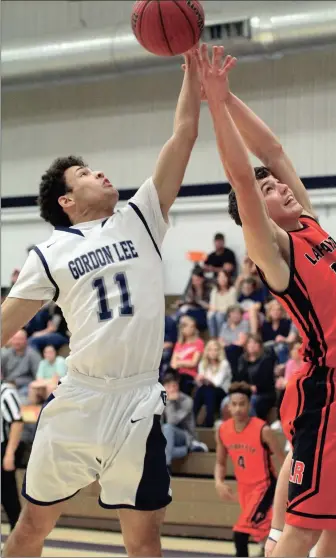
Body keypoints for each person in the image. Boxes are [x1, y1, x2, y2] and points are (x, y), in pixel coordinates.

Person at [1, 49, 201, 558]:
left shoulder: (141, 217)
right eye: (86, 173)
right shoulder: (49, 252)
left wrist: (193, 77)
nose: (101, 174)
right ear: (67, 201)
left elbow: (182, 137)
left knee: (145, 539)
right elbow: (4, 326)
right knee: (29, 529)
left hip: (138, 400)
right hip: (81, 401)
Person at [196, 43, 336, 558]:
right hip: (328, 393)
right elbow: (245, 173)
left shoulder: (310, 223)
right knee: (305, 528)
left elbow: (270, 153)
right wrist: (213, 105)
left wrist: (228, 98)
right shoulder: (276, 253)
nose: (282, 186)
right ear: (257, 212)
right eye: (269, 190)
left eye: (279, 185)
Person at [215, 383, 285, 557]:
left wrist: (289, 486)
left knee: (240, 533)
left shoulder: (263, 429)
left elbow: (283, 459)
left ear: (250, 405)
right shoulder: (223, 430)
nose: (238, 408)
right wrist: (218, 482)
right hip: (245, 490)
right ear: (228, 406)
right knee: (265, 533)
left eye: (242, 404)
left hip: (265, 488)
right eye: (234, 404)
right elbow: (220, 462)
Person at [161, 371, 206, 472]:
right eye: (168, 386)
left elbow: (172, 421)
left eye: (174, 386)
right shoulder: (160, 400)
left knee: (168, 428)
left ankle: (166, 466)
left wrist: (170, 402)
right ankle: (188, 449)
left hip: (185, 436)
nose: (172, 389)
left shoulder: (187, 401)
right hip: (168, 440)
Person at [235, 335, 277, 423]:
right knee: (227, 401)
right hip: (246, 392)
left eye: (255, 342)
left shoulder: (266, 359)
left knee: (252, 401)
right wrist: (246, 387)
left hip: (264, 393)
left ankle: (254, 427)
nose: (252, 345)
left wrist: (253, 387)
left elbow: (266, 381)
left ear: (260, 345)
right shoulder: (242, 359)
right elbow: (239, 378)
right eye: (249, 343)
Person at [1, 381, 24, 531]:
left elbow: (17, 422)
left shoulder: (6, 393)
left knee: (8, 497)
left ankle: (18, 539)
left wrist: (9, 454)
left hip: (3, 447)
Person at [194, 339, 231, 427]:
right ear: (207, 351)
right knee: (201, 390)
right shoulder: (202, 364)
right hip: (207, 391)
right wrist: (198, 380)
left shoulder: (224, 364)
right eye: (210, 350)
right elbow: (201, 384)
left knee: (209, 391)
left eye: (216, 350)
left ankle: (209, 422)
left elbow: (217, 383)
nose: (213, 352)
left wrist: (204, 379)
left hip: (222, 392)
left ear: (219, 351)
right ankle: (194, 420)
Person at [1, 330, 41, 403]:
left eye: (20, 339)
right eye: (15, 339)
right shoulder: (6, 354)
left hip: (25, 387)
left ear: (26, 340)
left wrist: (16, 382)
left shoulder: (33, 355)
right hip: (7, 385)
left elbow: (38, 377)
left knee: (18, 399)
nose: (17, 342)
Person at [170, 315, 204, 395]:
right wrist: (184, 362)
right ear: (182, 329)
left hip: (190, 374)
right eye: (189, 326)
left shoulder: (199, 342)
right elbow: (173, 364)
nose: (192, 329)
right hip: (177, 373)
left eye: (193, 326)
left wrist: (179, 362)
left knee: (183, 380)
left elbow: (193, 363)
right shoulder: (179, 344)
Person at [207, 269, 237, 338]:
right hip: (216, 313)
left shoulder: (232, 290)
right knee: (211, 315)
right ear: (217, 279)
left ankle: (221, 337)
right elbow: (212, 306)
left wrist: (218, 310)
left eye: (224, 277)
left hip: (227, 313)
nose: (222, 279)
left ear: (228, 278)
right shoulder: (214, 290)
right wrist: (216, 310)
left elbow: (231, 307)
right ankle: (213, 338)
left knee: (219, 316)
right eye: (220, 277)